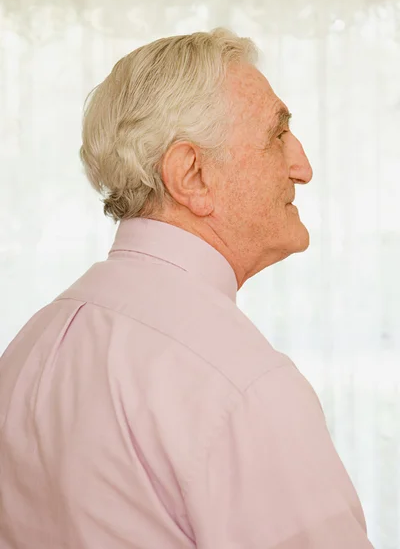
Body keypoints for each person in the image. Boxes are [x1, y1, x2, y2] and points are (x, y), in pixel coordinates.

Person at [0, 28, 373, 548]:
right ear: (192, 175)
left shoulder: (28, 351)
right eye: (277, 135)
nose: (302, 167)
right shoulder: (241, 386)